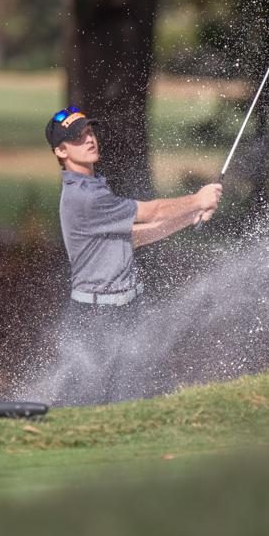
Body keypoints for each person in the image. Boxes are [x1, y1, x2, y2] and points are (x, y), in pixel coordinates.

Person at [45, 105, 222, 403]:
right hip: (96, 316)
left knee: (139, 392)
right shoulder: (85, 197)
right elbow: (150, 211)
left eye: (89, 131)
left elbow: (135, 238)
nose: (89, 139)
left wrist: (190, 217)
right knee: (86, 402)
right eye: (77, 137)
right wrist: (197, 199)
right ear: (61, 151)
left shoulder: (94, 186)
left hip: (125, 308)